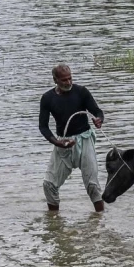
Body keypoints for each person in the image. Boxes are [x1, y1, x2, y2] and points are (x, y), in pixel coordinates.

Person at [39, 63, 105, 212]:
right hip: (63, 142)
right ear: (55, 80)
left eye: (70, 78)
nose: (68, 82)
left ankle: (100, 220)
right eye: (64, 80)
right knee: (49, 185)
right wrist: (57, 142)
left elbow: (97, 112)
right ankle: (54, 219)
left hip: (85, 139)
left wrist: (98, 120)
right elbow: (43, 126)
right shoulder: (47, 98)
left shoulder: (81, 92)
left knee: (92, 185)